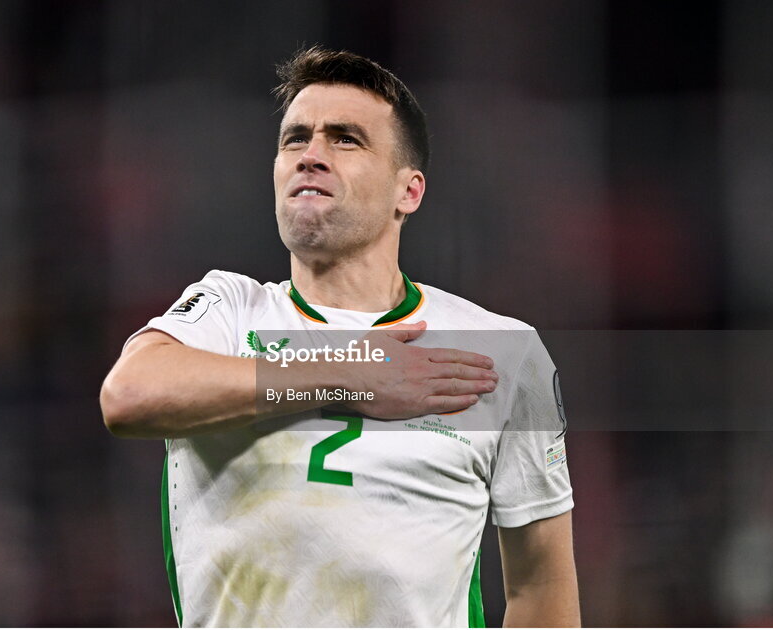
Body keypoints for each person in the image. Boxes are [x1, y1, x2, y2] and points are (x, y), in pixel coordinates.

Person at [101, 46, 579, 627]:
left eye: (345, 139)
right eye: (294, 138)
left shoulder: (504, 351)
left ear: (410, 191)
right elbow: (127, 398)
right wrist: (347, 376)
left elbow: (541, 590)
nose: (311, 155)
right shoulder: (226, 311)